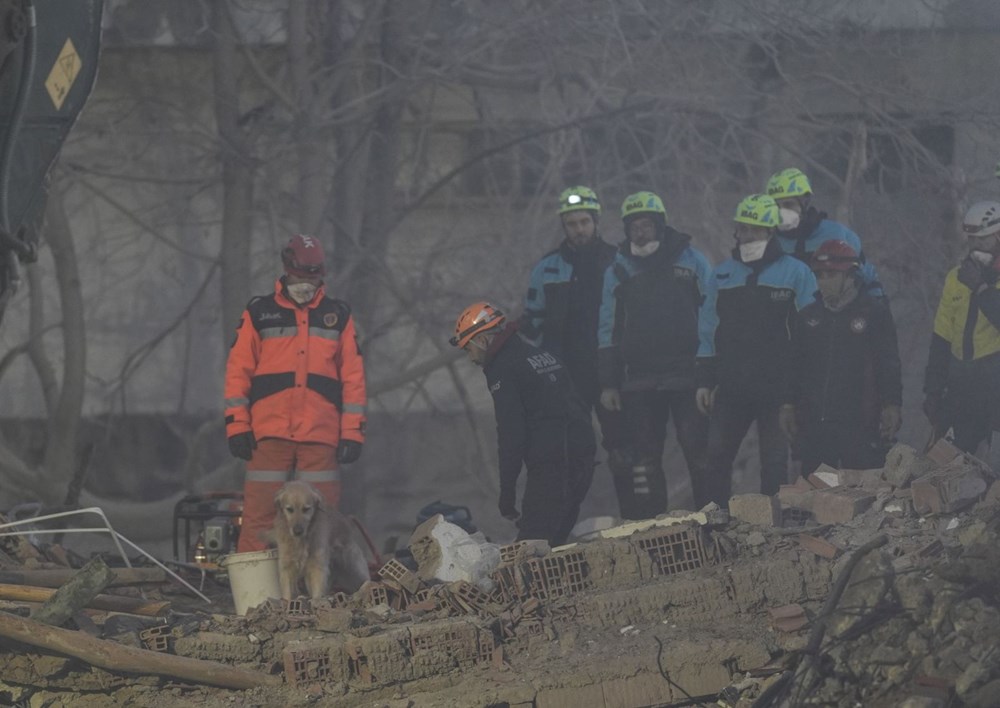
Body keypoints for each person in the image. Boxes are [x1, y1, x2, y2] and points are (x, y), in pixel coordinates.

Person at [225, 234, 367, 553]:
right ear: (287, 269)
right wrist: (237, 426)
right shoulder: (259, 313)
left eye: (313, 276)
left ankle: (320, 599)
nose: (306, 283)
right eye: (302, 275)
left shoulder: (338, 316)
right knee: (260, 520)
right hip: (269, 432)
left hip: (321, 434)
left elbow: (353, 378)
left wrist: (353, 433)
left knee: (323, 523)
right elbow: (238, 371)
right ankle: (257, 595)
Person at [696, 194, 817, 506]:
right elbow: (708, 328)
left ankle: (771, 530)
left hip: (777, 389)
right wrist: (705, 381)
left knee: (775, 464)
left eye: (756, 229)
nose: (748, 235)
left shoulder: (796, 272)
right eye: (743, 228)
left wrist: (802, 386)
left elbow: (810, 333)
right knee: (714, 459)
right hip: (731, 386)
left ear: (771, 231)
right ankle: (714, 524)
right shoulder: (721, 274)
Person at [597, 191, 712, 516]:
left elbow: (712, 317)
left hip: (688, 376)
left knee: (699, 454)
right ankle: (654, 529)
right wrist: (608, 382)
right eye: (634, 226)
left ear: (660, 225)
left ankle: (713, 518)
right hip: (638, 381)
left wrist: (709, 372)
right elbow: (607, 328)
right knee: (645, 460)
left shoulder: (693, 261)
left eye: (647, 224)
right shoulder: (617, 271)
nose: (641, 232)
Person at [451, 302, 595, 546]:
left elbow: (511, 435)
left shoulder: (503, 368)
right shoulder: (540, 355)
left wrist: (507, 494)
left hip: (552, 465)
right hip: (582, 458)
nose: (471, 358)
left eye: (468, 349)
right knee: (558, 545)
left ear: (483, 340)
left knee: (532, 549)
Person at [519, 186, 625, 475]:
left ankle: (636, 516)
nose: (579, 230)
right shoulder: (548, 267)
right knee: (569, 453)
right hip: (565, 373)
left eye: (584, 222)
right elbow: (533, 318)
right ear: (564, 226)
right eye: (572, 224)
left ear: (596, 221)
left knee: (623, 450)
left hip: (609, 372)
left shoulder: (618, 262)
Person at [786, 240, 902, 476]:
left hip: (860, 426)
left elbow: (888, 363)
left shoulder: (874, 313)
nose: (823, 281)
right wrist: (787, 405)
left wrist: (892, 404)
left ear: (850, 276)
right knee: (816, 498)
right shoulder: (808, 317)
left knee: (862, 497)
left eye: (831, 274)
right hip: (815, 428)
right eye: (819, 275)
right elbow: (794, 366)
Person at [924, 201, 1000, 454]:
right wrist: (933, 389)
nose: (976, 247)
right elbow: (942, 337)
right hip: (961, 386)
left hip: (995, 389)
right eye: (972, 240)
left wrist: (981, 289)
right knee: (943, 465)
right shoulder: (956, 278)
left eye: (984, 240)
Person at [765, 167, 885, 298]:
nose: (781, 212)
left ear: (805, 202)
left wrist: (876, 307)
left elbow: (867, 278)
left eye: (788, 205)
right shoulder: (767, 243)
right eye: (775, 206)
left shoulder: (836, 234)